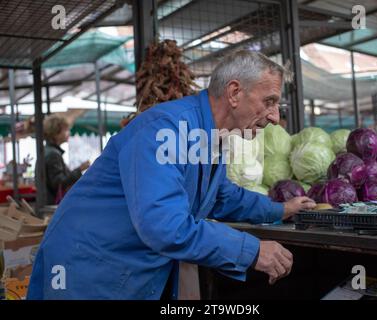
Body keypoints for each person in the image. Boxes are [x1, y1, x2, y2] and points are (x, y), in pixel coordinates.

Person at [28, 50, 316, 300]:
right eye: (269, 101)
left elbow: (220, 195)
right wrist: (251, 251)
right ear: (234, 93)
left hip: (125, 268)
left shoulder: (210, 136)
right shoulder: (166, 129)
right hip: (90, 269)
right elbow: (164, 225)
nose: (275, 117)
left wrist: (280, 209)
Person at [40, 114, 90, 205]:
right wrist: (79, 169)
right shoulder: (53, 154)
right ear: (55, 133)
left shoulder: (49, 151)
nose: (69, 133)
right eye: (66, 130)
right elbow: (58, 183)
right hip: (52, 204)